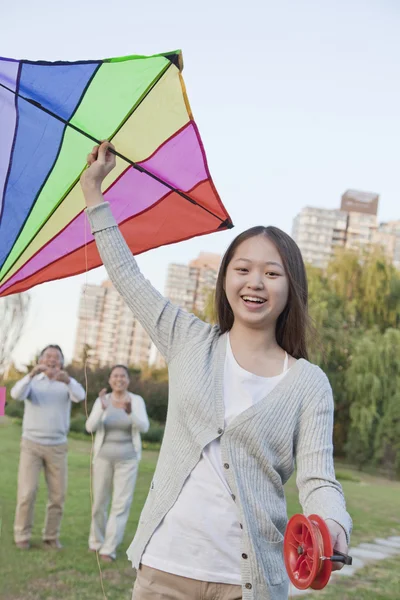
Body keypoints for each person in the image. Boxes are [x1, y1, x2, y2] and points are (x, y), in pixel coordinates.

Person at [81, 143, 352, 600]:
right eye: (243, 269)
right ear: (226, 279)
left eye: (272, 273)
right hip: (163, 568)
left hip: (248, 584)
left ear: (292, 288)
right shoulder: (188, 340)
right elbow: (127, 276)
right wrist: (93, 192)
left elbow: (318, 477)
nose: (255, 283)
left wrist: (334, 523)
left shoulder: (309, 384)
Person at [11, 344, 85, 550]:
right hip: (31, 445)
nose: (51, 360)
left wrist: (68, 380)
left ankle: (51, 537)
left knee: (57, 495)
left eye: (56, 357)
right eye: (47, 356)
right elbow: (16, 394)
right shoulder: (33, 382)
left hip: (57, 446)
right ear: (40, 360)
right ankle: (21, 534)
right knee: (27, 492)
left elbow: (81, 396)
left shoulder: (67, 383)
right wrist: (31, 374)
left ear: (61, 362)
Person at [86, 364, 149, 562]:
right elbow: (90, 427)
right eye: (115, 376)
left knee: (120, 505)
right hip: (103, 458)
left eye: (123, 376)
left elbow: (144, 427)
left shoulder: (136, 401)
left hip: (128, 459)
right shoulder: (102, 400)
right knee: (98, 503)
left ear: (128, 380)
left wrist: (130, 413)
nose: (119, 379)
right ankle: (96, 541)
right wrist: (101, 409)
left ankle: (109, 548)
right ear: (110, 380)